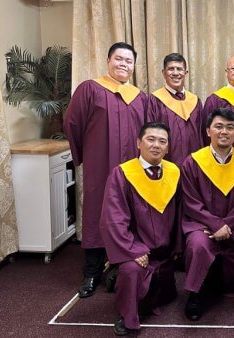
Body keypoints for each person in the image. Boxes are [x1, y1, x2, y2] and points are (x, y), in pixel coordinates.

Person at [64, 42, 147, 298]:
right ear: (108, 60)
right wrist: (87, 153)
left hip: (133, 168)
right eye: (119, 59)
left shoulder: (140, 96)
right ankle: (92, 272)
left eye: (128, 61)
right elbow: (72, 123)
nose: (123, 64)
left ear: (134, 66)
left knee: (129, 213)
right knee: (96, 212)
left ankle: (122, 266)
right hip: (100, 166)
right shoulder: (90, 89)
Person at [99, 122, 181, 336]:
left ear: (168, 148)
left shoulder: (173, 173)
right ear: (138, 143)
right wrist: (134, 249)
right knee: (132, 270)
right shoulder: (123, 174)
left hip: (163, 252)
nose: (156, 145)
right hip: (135, 250)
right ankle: (128, 316)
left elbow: (181, 213)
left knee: (168, 294)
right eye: (150, 139)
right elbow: (114, 219)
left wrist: (177, 248)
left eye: (162, 141)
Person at [181, 108, 234, 321]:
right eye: (218, 126)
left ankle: (217, 278)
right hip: (201, 224)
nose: (224, 131)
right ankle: (193, 295)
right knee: (198, 245)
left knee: (229, 285)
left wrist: (226, 225)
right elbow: (191, 201)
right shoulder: (193, 162)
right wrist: (215, 224)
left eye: (229, 127)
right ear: (208, 131)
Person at [148, 53, 203, 167]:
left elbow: (202, 135)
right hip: (166, 164)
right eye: (171, 69)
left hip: (194, 164)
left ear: (186, 73)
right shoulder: (154, 100)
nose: (175, 73)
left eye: (179, 69)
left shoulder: (195, 101)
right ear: (163, 73)